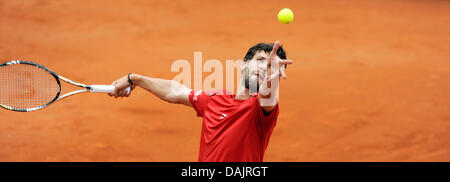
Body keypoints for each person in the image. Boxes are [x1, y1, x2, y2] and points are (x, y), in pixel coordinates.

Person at [109, 41, 293, 162]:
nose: (263, 68)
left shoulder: (260, 111)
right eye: (260, 60)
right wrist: (135, 78)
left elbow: (268, 96)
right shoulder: (215, 99)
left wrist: (274, 77)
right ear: (243, 64)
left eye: (269, 67)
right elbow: (175, 92)